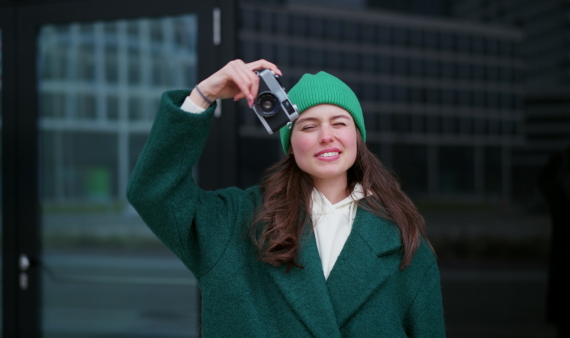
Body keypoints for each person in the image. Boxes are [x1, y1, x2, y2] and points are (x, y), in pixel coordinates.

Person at [126, 59, 446, 337]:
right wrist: (203, 95)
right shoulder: (237, 221)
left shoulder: (400, 236)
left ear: (357, 138)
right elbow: (153, 191)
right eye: (308, 126)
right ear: (290, 144)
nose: (326, 136)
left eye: (339, 122)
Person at [537, 143, 570, 338]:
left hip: (563, 274)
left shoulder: (559, 198)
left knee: (565, 330)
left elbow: (543, 180)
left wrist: (558, 156)